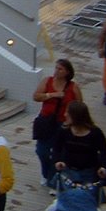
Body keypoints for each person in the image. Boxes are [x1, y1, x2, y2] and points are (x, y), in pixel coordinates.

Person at [32, 58, 82, 186]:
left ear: (67, 72)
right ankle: (46, 172)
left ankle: (52, 179)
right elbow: (36, 96)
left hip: (63, 124)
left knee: (58, 153)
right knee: (41, 150)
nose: (56, 71)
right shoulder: (47, 81)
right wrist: (52, 95)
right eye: (56, 68)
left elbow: (79, 105)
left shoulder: (73, 87)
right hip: (46, 122)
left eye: (60, 69)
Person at [52, 100, 106, 186]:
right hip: (68, 172)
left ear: (76, 116)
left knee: (88, 198)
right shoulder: (64, 131)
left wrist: (104, 168)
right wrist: (57, 161)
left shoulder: (95, 133)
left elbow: (104, 153)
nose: (65, 115)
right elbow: (56, 148)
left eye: (68, 113)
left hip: (88, 173)